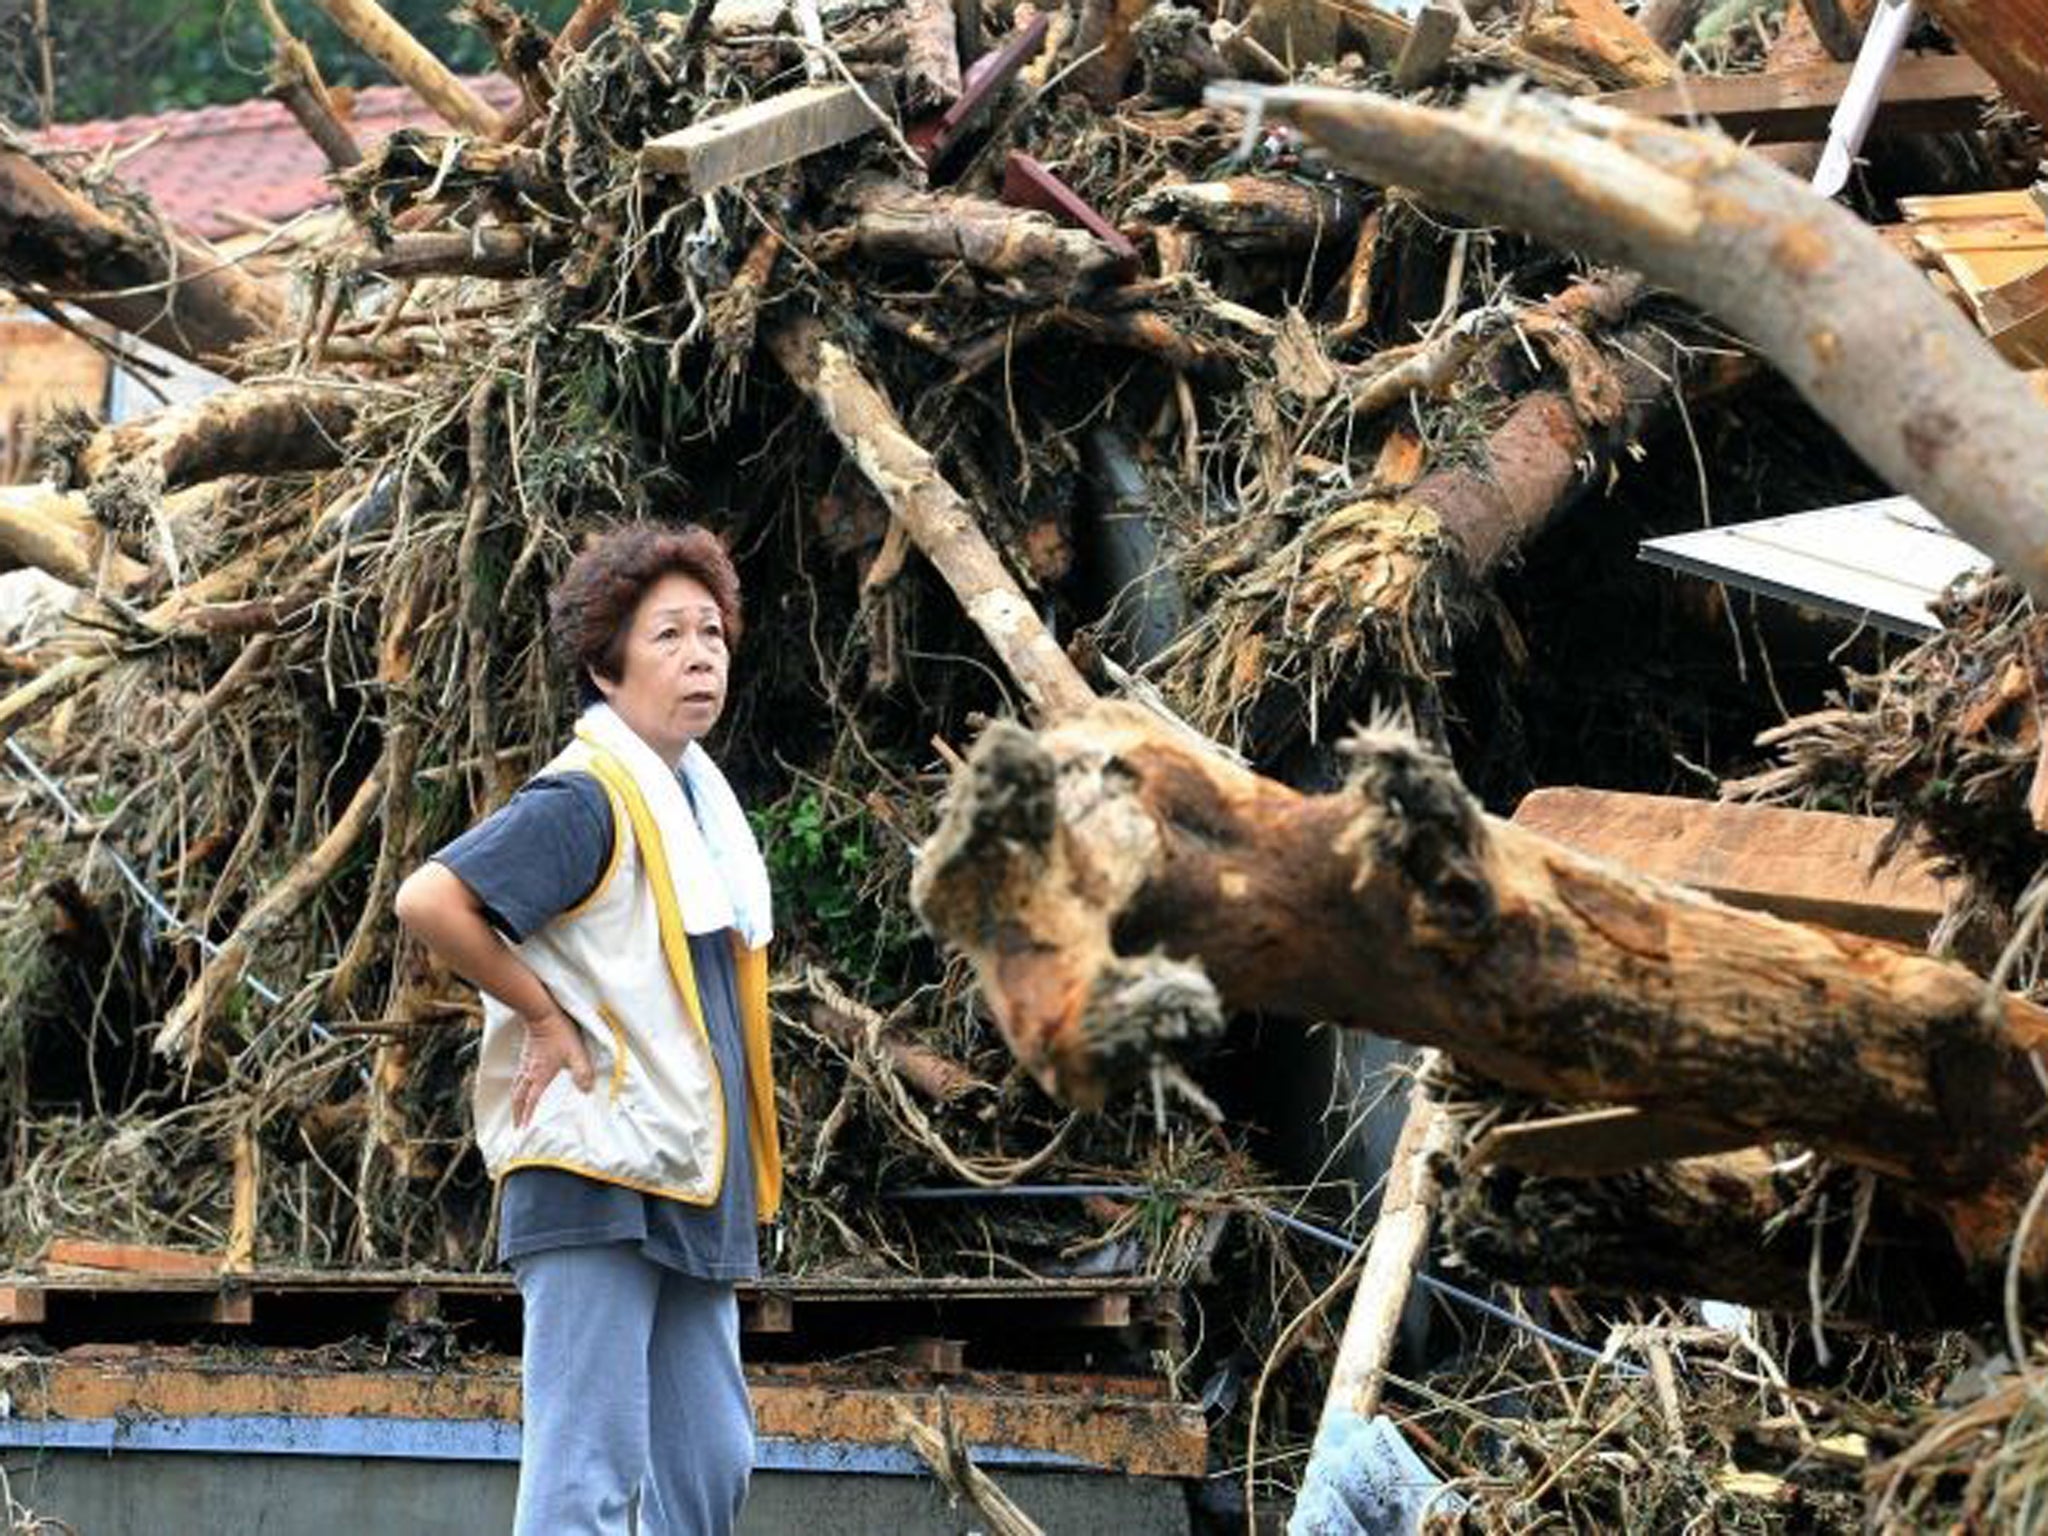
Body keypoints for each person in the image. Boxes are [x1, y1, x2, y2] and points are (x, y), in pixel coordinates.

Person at [394, 523, 779, 1536]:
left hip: (684, 1168)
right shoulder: (585, 798)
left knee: (711, 1466)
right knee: (586, 1477)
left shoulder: (702, 810)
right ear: (605, 668)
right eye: (666, 636)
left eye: (711, 633)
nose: (700, 655)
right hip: (593, 1169)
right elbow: (431, 900)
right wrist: (540, 1012)